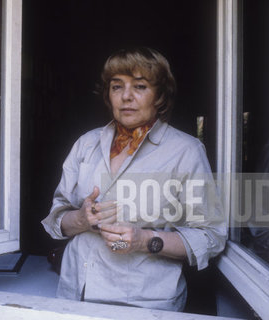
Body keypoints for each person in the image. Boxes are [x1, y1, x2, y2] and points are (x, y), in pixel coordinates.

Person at [41, 47, 226, 311]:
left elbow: (210, 236)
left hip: (144, 303)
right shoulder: (86, 144)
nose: (126, 96)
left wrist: (144, 240)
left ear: (160, 96)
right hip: (74, 292)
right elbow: (57, 221)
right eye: (117, 87)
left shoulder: (186, 151)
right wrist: (80, 219)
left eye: (139, 86)